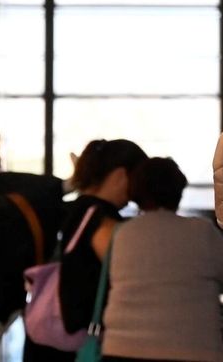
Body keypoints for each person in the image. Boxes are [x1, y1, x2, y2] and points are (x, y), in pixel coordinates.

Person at [100, 157, 223, 362]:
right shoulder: (200, 231)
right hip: (194, 350)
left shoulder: (121, 234)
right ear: (178, 190)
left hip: (121, 349)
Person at [26, 138, 148, 362]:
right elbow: (124, 269)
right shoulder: (101, 217)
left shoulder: (81, 208)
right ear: (121, 175)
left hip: (58, 337)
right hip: (78, 340)